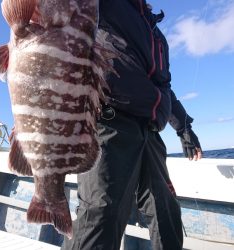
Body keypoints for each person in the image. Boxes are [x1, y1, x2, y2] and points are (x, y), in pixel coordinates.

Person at [61, 1, 202, 250]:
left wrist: (183, 126)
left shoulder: (155, 33)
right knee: (101, 216)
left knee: (166, 212)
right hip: (107, 124)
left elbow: (163, 86)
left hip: (149, 132)